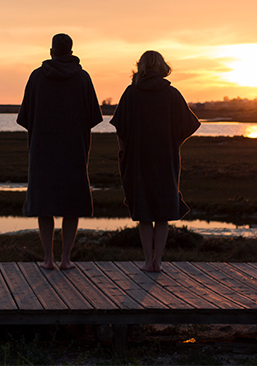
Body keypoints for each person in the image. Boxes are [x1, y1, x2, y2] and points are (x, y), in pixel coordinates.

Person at [17, 33, 103, 269]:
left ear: (52, 51)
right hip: (74, 150)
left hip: (42, 151)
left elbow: (24, 118)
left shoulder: (36, 77)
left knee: (44, 205)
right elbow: (94, 117)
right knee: (71, 204)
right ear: (71, 52)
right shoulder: (83, 78)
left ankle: (48, 258)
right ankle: (65, 258)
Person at [110, 50, 200, 272]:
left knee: (144, 212)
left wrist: (123, 153)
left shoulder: (131, 93)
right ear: (162, 67)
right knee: (163, 212)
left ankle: (147, 261)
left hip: (138, 160)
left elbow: (120, 130)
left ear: (140, 66)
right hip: (165, 159)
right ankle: (158, 261)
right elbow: (190, 125)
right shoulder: (172, 94)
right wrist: (174, 142)